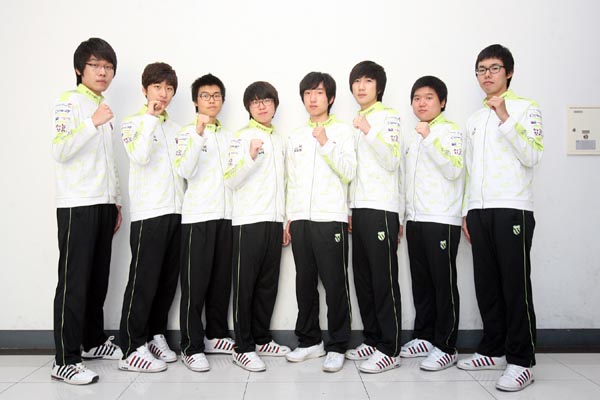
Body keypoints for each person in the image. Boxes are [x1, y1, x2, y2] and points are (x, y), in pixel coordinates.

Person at [459, 44, 543, 392]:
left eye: (494, 68)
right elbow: (469, 169)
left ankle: (522, 361)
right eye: (481, 69)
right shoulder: (474, 120)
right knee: (487, 285)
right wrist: (467, 211)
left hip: (513, 208)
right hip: (480, 211)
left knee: (514, 286)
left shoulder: (526, 109)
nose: (487, 75)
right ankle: (493, 349)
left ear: (508, 72)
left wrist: (506, 117)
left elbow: (533, 155)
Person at [50, 37, 123, 385]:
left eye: (108, 67)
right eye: (95, 65)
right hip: (77, 204)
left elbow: (108, 161)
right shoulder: (69, 103)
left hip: (102, 203)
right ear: (80, 69)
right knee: (74, 283)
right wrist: (92, 123)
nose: (102, 72)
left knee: (97, 279)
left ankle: (93, 341)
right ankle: (64, 359)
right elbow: (61, 150)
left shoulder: (103, 106)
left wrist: (115, 200)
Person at [284, 72, 356, 373]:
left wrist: (326, 142)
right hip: (301, 219)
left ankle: (338, 345)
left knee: (335, 283)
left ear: (331, 98)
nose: (313, 99)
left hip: (330, 218)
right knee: (304, 282)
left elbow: (349, 172)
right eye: (308, 93)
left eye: (319, 93)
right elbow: (291, 180)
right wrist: (289, 218)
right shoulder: (295, 136)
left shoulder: (344, 132)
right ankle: (309, 341)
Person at [118, 62, 184, 373]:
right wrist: (150, 118)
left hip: (176, 212)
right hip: (149, 214)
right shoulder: (133, 123)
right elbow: (140, 156)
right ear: (145, 90)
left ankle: (156, 335)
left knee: (167, 281)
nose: (163, 93)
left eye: (169, 88)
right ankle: (132, 347)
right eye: (157, 87)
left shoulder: (176, 129)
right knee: (143, 281)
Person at [224, 81, 290, 372]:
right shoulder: (240, 138)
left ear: (275, 105)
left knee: (267, 285)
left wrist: (284, 220)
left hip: (273, 222)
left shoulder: (279, 140)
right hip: (248, 222)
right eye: (255, 101)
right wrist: (250, 157)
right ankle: (243, 346)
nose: (262, 106)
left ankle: (262, 338)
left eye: (267, 101)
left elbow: (285, 183)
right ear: (248, 107)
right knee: (245, 287)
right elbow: (230, 179)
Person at [401, 76, 464, 371]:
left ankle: (446, 345)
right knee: (422, 283)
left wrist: (429, 139)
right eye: (417, 98)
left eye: (428, 97)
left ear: (443, 102)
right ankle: (425, 337)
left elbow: (454, 170)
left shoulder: (451, 132)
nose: (421, 103)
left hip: (442, 219)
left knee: (443, 284)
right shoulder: (413, 136)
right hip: (416, 219)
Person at [346, 61, 403, 373]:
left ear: (378, 87)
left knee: (383, 280)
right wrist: (350, 208)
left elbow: (392, 159)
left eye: (368, 80)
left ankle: (390, 348)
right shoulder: (356, 121)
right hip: (360, 209)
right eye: (357, 81)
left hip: (381, 208)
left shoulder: (388, 117)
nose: (361, 86)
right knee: (364, 279)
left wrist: (368, 131)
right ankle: (372, 338)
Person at [175, 74, 235, 372]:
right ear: (195, 101)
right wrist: (198, 135)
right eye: (205, 95)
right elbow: (184, 170)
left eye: (216, 95)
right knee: (195, 286)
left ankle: (215, 335)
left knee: (221, 282)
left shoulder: (229, 136)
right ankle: (191, 345)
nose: (211, 100)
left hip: (226, 218)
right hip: (198, 218)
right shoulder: (186, 133)